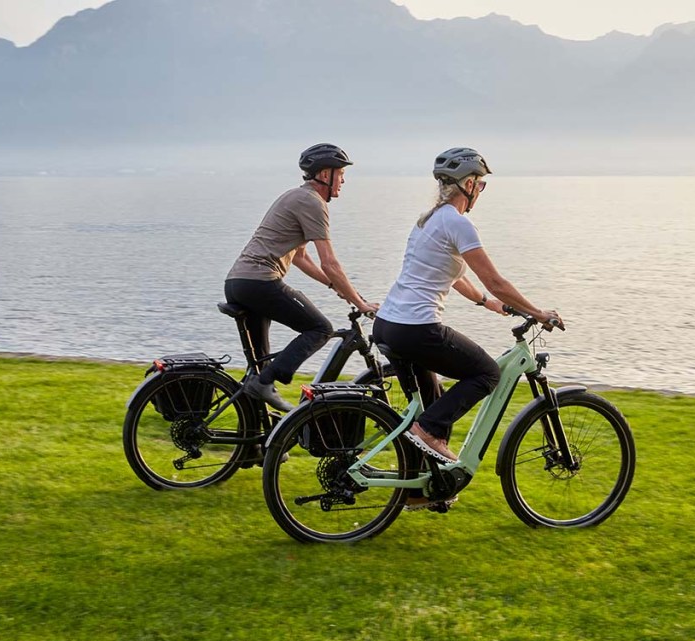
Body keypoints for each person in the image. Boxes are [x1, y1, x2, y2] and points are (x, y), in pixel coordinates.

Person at [373, 147, 563, 488]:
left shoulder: (430, 220)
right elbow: (496, 280)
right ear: (470, 184)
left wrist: (489, 304)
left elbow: (455, 276)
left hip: (389, 325)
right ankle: (430, 432)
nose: (481, 191)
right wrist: (538, 312)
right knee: (486, 373)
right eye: (482, 185)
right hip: (417, 328)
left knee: (428, 405)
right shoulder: (458, 223)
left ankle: (420, 490)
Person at [225, 143, 379, 412]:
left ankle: (255, 443)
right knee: (320, 329)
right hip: (260, 281)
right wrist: (360, 302)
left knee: (260, 372)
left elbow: (300, 257)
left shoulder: (295, 196)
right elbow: (329, 262)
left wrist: (335, 287)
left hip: (239, 283)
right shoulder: (312, 202)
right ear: (325, 174)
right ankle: (267, 382)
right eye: (341, 174)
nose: (343, 180)